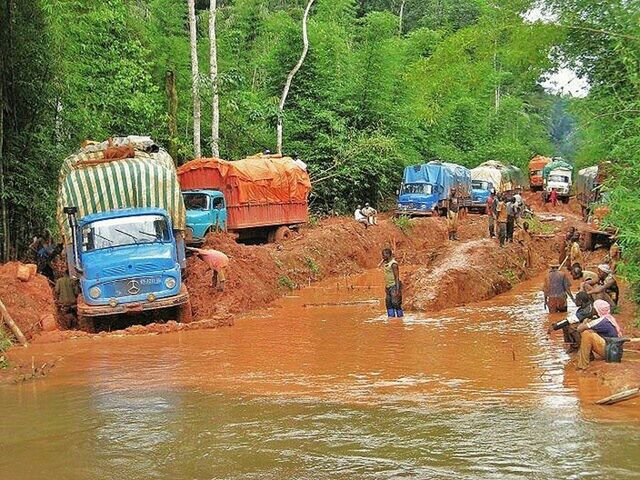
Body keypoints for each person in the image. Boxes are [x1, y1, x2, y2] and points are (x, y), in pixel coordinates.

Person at [576, 299, 622, 370]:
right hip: (613, 350)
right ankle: (589, 356)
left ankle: (582, 365)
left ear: (597, 310)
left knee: (586, 334)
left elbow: (579, 329)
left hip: (609, 351)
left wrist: (585, 322)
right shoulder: (608, 318)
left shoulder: (601, 321)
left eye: (594, 308)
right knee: (589, 332)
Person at [381, 248, 403, 318]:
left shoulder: (393, 264)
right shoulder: (386, 263)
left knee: (395, 303)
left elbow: (397, 277)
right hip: (388, 287)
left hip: (394, 286)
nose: (383, 257)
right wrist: (386, 287)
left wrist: (397, 290)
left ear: (388, 255)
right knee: (388, 304)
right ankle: (391, 319)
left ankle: (400, 318)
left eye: (384, 255)